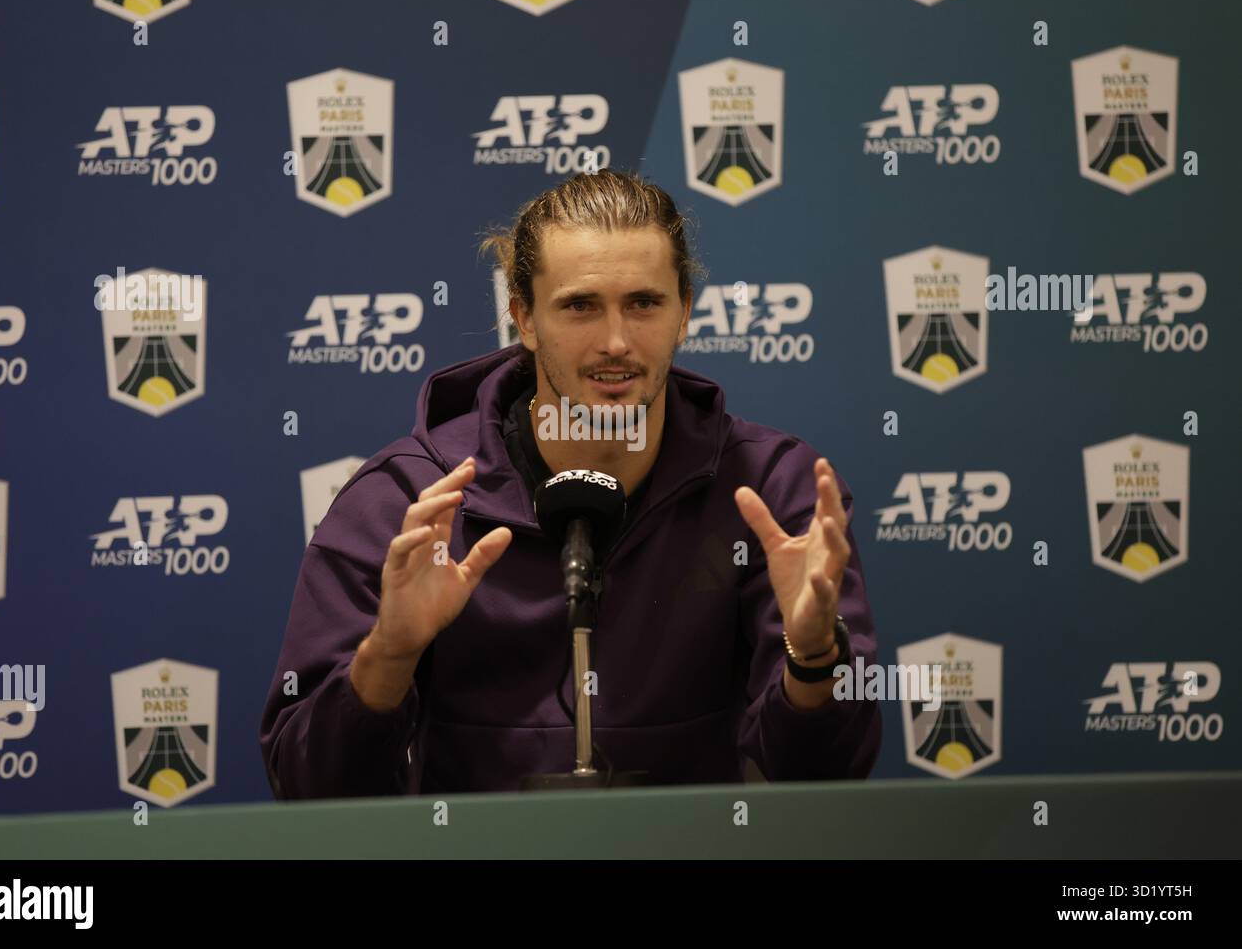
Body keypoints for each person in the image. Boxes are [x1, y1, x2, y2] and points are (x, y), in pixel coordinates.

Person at [259, 169, 881, 797]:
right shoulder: (405, 502)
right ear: (524, 319)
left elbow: (827, 777)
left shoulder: (772, 493)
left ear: (685, 312)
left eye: (643, 303)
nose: (616, 342)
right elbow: (308, 786)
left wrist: (814, 658)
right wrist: (388, 655)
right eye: (581, 306)